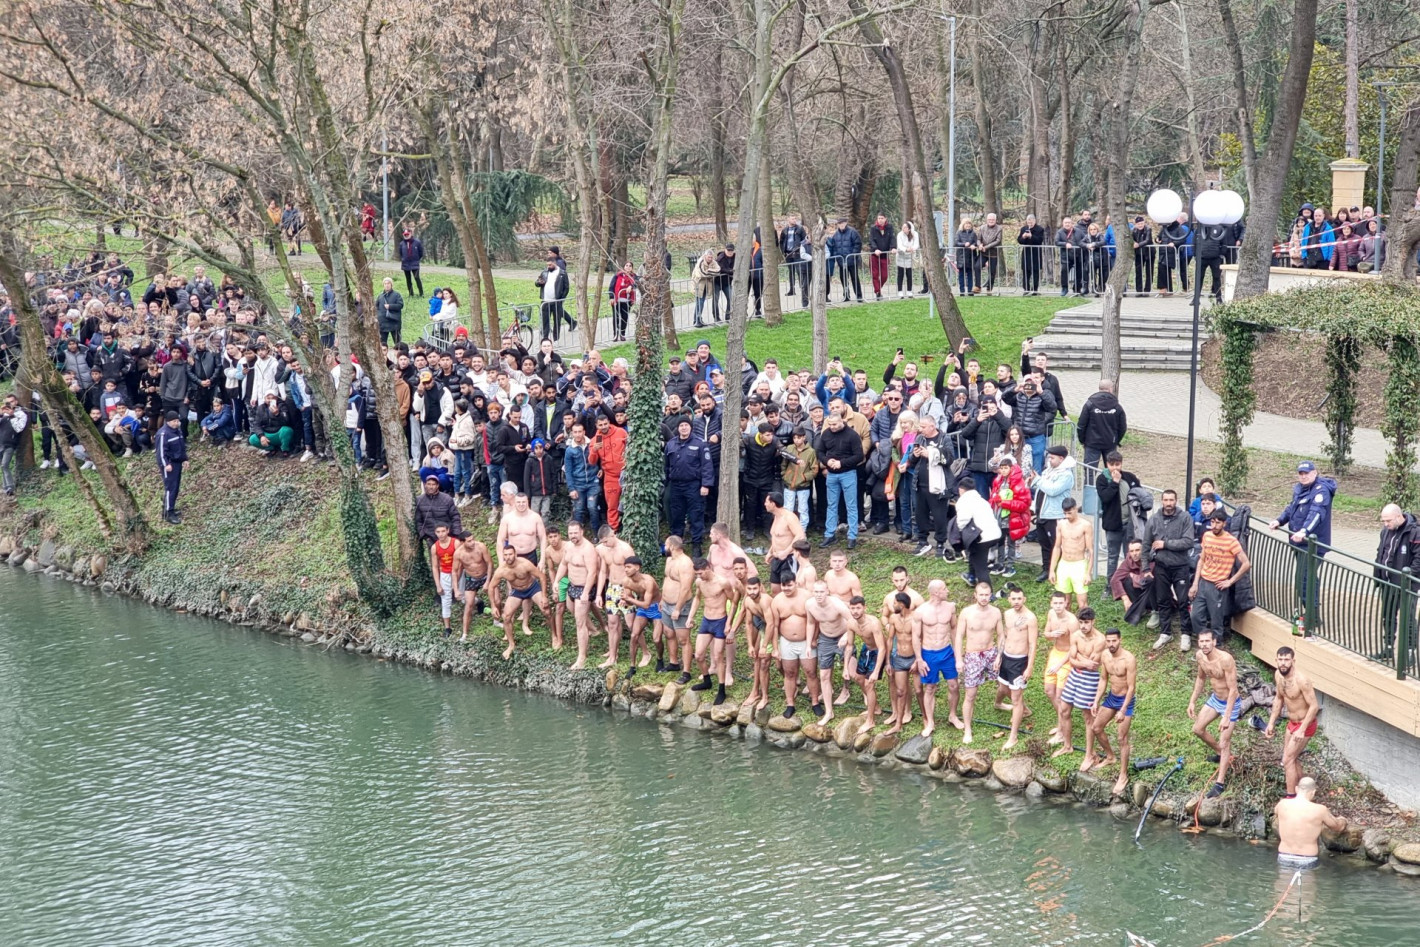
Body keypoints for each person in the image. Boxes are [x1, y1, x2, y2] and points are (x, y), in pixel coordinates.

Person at [1269, 461, 1336, 623]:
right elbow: (1292, 508)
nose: (1304, 476)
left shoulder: (1321, 491)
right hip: (1299, 543)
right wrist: (1279, 521)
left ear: (1315, 473)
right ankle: (1312, 613)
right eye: (1301, 473)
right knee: (1305, 578)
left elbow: (1316, 514)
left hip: (1313, 545)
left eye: (1307, 473)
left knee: (1304, 578)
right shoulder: (1300, 489)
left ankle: (1312, 615)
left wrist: (1304, 531)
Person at [1188, 627, 1240, 798]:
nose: (1204, 644)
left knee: (1225, 742)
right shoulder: (1200, 656)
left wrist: (1226, 717)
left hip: (1230, 703)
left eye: (1207, 641)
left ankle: (1220, 783)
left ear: (1214, 642)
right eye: (1201, 641)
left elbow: (1233, 690)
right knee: (1197, 729)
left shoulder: (1225, 660)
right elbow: (1201, 678)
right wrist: (1192, 701)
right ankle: (1221, 753)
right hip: (1215, 699)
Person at [1142, 488, 1197, 651]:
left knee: (1183, 601)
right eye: (1165, 500)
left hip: (1180, 566)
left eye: (1171, 500)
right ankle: (1165, 633)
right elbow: (1146, 544)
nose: (1168, 503)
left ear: (1176, 501)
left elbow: (1188, 542)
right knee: (1163, 600)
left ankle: (1186, 634)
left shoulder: (1185, 517)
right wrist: (1145, 567)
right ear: (1162, 501)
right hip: (1161, 566)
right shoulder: (1154, 519)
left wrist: (1165, 544)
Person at [1264, 646, 1320, 796]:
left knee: (1287, 760)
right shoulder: (1278, 675)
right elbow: (1278, 699)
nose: (1283, 663)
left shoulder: (1302, 680)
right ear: (1276, 660)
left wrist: (1302, 729)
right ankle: (1305, 791)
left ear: (1293, 661)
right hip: (1292, 723)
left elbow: (1314, 706)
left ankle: (1291, 797)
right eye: (1280, 659)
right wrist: (1271, 723)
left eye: (1286, 660)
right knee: (1290, 758)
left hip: (1305, 725)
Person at [1054, 607, 1106, 765]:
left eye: (1086, 623)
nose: (1083, 626)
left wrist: (1079, 658)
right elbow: (1072, 660)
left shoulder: (1100, 640)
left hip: (1090, 678)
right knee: (1064, 709)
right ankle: (1067, 746)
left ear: (1093, 622)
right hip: (1074, 674)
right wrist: (1083, 660)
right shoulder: (1075, 635)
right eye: (1081, 622)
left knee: (1088, 717)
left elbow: (1093, 665)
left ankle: (1089, 754)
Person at [1189, 508, 1251, 640]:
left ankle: (1217, 644)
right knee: (1195, 616)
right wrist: (1195, 584)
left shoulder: (1231, 541)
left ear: (1224, 524)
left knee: (1216, 620)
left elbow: (1246, 564)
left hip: (1218, 585)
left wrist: (1230, 581)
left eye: (1218, 523)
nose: (1214, 526)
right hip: (1203, 581)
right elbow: (1202, 560)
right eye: (1212, 522)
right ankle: (1204, 641)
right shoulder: (1207, 536)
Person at [1088, 628, 1137, 796]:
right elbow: (1104, 679)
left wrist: (1123, 710)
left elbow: (1131, 687)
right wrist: (1096, 700)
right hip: (1112, 697)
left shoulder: (1129, 659)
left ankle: (1123, 775)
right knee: (1096, 728)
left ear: (1120, 640)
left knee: (1122, 738)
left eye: (1114, 641)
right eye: (1108, 641)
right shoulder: (1105, 656)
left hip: (1125, 700)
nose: (1111, 644)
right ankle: (1110, 756)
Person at [955, 581, 1002, 745]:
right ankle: (967, 729)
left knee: (1004, 684)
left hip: (991, 652)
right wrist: (959, 659)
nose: (984, 598)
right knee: (970, 694)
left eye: (986, 595)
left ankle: (1002, 704)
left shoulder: (996, 612)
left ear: (990, 595)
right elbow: (959, 636)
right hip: (973, 655)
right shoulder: (966, 613)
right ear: (975, 595)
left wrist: (999, 656)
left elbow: (1001, 635)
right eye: (981, 595)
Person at [912, 579, 961, 738]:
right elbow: (916, 636)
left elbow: (954, 630)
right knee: (930, 688)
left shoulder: (950, 607)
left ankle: (952, 715)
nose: (947, 591)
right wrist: (919, 659)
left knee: (954, 685)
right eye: (944, 589)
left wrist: (958, 654)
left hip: (946, 652)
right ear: (935, 592)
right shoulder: (921, 611)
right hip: (929, 653)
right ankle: (930, 722)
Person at [992, 585, 1037, 750]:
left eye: (1019, 598)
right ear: (1009, 599)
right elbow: (1005, 635)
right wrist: (999, 656)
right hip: (1006, 657)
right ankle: (1024, 710)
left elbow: (1033, 644)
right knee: (1004, 688)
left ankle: (1013, 737)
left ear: (1024, 599)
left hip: (1019, 662)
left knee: (1016, 699)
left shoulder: (1030, 618)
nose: (1017, 601)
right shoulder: (1007, 614)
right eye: (1014, 599)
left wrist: (1029, 666)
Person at [687, 557, 737, 705]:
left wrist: (729, 623)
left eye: (701, 573)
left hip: (720, 620)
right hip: (706, 620)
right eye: (697, 574)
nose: (699, 576)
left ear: (708, 568)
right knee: (699, 655)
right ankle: (707, 681)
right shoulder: (699, 582)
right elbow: (697, 598)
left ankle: (721, 690)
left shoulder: (722, 582)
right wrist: (690, 617)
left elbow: (734, 602)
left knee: (718, 656)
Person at [806, 579, 857, 724]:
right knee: (824, 675)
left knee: (851, 670)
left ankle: (847, 690)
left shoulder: (836, 604)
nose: (819, 595)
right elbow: (810, 623)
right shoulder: (809, 604)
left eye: (822, 592)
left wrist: (846, 636)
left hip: (842, 635)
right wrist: (808, 644)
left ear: (827, 592)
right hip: (825, 638)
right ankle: (829, 712)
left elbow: (852, 620)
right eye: (816, 592)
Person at [1375, 504, 1420, 664]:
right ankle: (1388, 648)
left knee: (1408, 619)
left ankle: (1410, 653)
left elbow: (1418, 559)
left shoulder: (1414, 532)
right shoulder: (1385, 531)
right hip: (1387, 583)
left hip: (1406, 585)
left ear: (1399, 516)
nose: (1386, 524)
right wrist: (1378, 575)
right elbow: (1381, 552)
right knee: (1387, 616)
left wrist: (1408, 576)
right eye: (1383, 521)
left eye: (1388, 520)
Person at [554, 520, 601, 670]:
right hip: (572, 585)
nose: (573, 535)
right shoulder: (568, 546)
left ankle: (581, 657)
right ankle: (593, 630)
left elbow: (592, 572)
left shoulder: (588, 549)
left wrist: (586, 593)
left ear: (582, 532)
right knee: (572, 610)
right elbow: (563, 564)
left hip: (584, 588)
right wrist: (556, 581)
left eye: (575, 533)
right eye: (570, 533)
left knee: (579, 623)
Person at [490, 550, 551, 659]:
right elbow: (491, 587)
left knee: (546, 610)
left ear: (515, 554)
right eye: (506, 555)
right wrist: (493, 606)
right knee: (506, 616)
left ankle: (555, 636)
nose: (508, 557)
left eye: (510, 554)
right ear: (503, 556)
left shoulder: (524, 564)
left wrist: (544, 596)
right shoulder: (501, 570)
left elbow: (541, 576)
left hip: (532, 587)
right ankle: (511, 644)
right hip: (517, 591)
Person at [1275, 777, 1347, 870]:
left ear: (1296, 789)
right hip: (1307, 859)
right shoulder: (1320, 810)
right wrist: (1343, 820)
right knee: (1306, 880)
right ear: (1313, 792)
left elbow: (1276, 813)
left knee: (1284, 879)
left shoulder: (1282, 804)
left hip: (1284, 857)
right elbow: (1338, 827)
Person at [594, 525, 636, 669]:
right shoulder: (603, 549)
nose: (605, 544)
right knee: (612, 623)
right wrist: (599, 594)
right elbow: (602, 572)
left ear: (613, 535)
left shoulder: (625, 549)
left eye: (606, 541)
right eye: (603, 542)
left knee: (631, 624)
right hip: (612, 588)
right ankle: (613, 656)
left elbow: (634, 572)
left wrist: (628, 593)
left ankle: (644, 652)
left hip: (626, 587)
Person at [1095, 451, 1141, 581]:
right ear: (1107, 464)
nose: (1115, 468)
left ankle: (1131, 583)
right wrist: (1115, 482)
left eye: (1118, 464)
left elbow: (1140, 493)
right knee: (1112, 556)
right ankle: (1110, 584)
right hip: (1113, 525)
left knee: (1131, 555)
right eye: (1112, 465)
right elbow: (1105, 497)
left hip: (1130, 524)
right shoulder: (1102, 479)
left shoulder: (1129, 477)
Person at [956, 476, 1002, 588]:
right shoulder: (982, 500)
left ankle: (988, 593)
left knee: (981, 568)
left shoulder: (963, 501)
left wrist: (959, 532)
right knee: (974, 553)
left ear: (961, 489)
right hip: (995, 534)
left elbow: (962, 520)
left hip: (982, 537)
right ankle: (971, 576)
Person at [1050, 497, 1094, 611]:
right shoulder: (1061, 524)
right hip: (1064, 564)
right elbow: (1057, 547)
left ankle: (1084, 622)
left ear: (1075, 509)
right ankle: (1066, 621)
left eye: (1069, 513)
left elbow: (1090, 550)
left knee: (1082, 604)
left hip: (1079, 565)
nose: (1067, 516)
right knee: (1065, 603)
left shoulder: (1085, 525)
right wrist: (1052, 570)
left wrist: (1088, 573)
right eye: (1065, 513)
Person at [1075, 380, 1127, 468]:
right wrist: (1116, 440)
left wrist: (1082, 440)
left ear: (1099, 388)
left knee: (1090, 470)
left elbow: (1081, 425)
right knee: (1112, 469)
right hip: (1110, 442)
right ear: (1110, 389)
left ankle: (1090, 478)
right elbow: (1122, 427)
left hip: (1092, 442)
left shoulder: (1089, 404)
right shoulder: (1117, 406)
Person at [452, 534, 493, 642]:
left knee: (496, 599)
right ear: (462, 542)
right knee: (468, 604)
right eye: (469, 541)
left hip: (485, 575)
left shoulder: (481, 546)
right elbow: (454, 571)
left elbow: (489, 563)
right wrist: (456, 589)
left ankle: (497, 621)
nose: (473, 542)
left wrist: (488, 581)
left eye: (473, 539)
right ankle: (464, 634)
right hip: (471, 578)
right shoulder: (458, 553)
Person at [155, 409, 187, 524]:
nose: (176, 423)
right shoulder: (163, 434)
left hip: (177, 462)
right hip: (169, 464)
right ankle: (168, 513)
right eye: (174, 421)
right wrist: (166, 465)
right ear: (168, 421)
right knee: (170, 488)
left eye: (177, 421)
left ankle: (171, 507)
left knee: (175, 487)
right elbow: (161, 453)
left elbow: (181, 447)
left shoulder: (178, 431)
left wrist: (185, 459)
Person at [430, 524, 460, 638]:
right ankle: (447, 628)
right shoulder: (435, 547)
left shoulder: (455, 543)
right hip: (445, 574)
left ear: (448, 531)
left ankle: (478, 602)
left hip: (458, 572)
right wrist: (438, 585)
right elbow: (434, 567)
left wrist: (456, 581)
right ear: (435, 533)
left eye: (443, 531)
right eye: (438, 532)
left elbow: (461, 562)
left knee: (463, 597)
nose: (441, 534)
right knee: (445, 600)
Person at [0, 395, 28, 496]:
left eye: (11, 402)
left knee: (5, 465)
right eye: (7, 402)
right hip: (1, 443)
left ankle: (10, 487)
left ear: (16, 402)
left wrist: (12, 416)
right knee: (2, 466)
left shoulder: (21, 414)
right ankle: (5, 487)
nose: (9, 404)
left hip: (10, 444)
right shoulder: (3, 414)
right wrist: (1, 414)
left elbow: (19, 428)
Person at [895, 221, 919, 298]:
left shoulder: (915, 234)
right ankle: (900, 291)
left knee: (909, 274)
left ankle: (909, 291)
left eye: (905, 227)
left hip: (910, 256)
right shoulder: (900, 234)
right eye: (903, 227)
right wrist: (906, 249)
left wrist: (912, 248)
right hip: (901, 256)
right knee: (900, 274)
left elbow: (916, 244)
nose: (903, 228)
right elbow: (899, 245)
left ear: (909, 229)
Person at [398, 229, 424, 297]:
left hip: (415, 263)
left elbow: (421, 252)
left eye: (407, 234)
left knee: (417, 277)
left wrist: (416, 259)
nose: (406, 236)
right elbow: (400, 253)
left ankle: (421, 293)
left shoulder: (417, 242)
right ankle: (411, 293)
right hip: (405, 264)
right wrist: (403, 259)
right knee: (408, 279)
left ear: (411, 234)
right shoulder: (402, 244)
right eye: (405, 235)